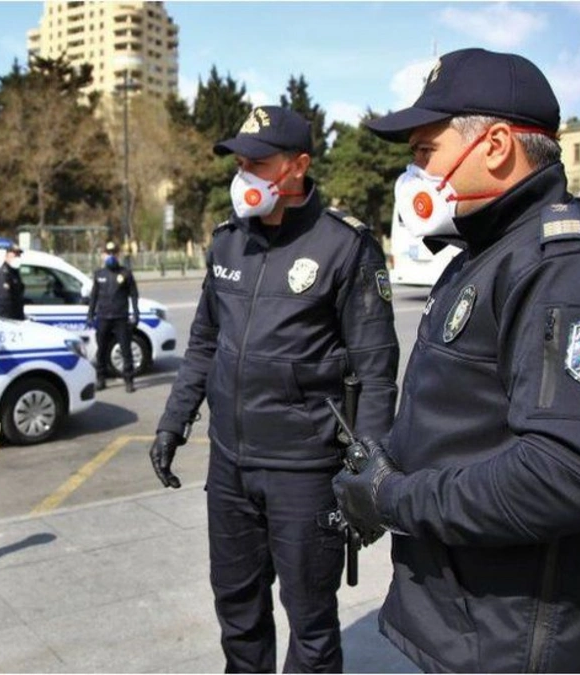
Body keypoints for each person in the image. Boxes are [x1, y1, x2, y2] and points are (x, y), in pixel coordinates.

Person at [331, 48, 580, 673]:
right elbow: (471, 421)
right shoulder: (489, 254)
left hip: (517, 644)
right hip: (469, 625)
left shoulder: (578, 275)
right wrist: (391, 462)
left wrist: (392, 497)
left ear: (494, 146)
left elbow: (565, 474)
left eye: (423, 151)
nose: (413, 173)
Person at [149, 105, 399, 672]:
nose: (245, 176)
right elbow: (204, 344)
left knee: (311, 621)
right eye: (240, 163)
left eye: (259, 164)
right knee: (237, 610)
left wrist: (371, 471)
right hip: (231, 467)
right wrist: (173, 421)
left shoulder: (345, 247)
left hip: (304, 473)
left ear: (298, 166)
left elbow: (377, 370)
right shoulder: (226, 242)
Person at [87, 241, 140, 393]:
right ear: (104, 255)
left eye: (113, 253)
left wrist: (136, 313)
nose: (111, 256)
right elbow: (93, 297)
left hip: (120, 318)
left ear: (118, 254)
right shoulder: (99, 274)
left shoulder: (125, 273)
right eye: (108, 253)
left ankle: (129, 380)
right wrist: (90, 315)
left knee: (125, 350)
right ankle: (101, 378)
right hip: (103, 317)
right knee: (101, 350)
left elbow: (134, 295)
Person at [0, 243, 26, 320]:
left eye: (18, 256)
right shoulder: (3, 274)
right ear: (6, 257)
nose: (17, 258)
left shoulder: (14, 272)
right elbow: (4, 300)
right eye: (14, 255)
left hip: (15, 317)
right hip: (7, 318)